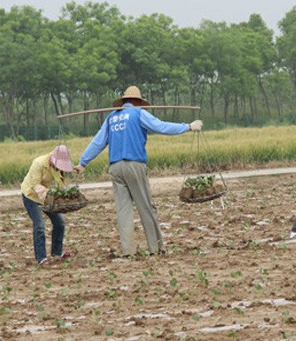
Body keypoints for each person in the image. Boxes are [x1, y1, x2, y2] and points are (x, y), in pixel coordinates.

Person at [75, 86, 202, 257]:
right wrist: (188, 127)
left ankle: (128, 251)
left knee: (123, 210)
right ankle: (156, 248)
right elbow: (161, 127)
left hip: (115, 168)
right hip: (133, 164)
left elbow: (98, 142)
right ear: (137, 102)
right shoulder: (138, 113)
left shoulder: (111, 118)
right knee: (146, 206)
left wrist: (83, 163)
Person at [21, 145, 75, 265]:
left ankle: (56, 252)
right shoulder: (39, 163)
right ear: (52, 158)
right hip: (31, 196)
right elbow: (35, 185)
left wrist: (64, 197)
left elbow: (60, 183)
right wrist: (49, 195)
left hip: (47, 196)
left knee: (59, 222)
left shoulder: (57, 168)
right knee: (39, 224)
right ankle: (41, 257)